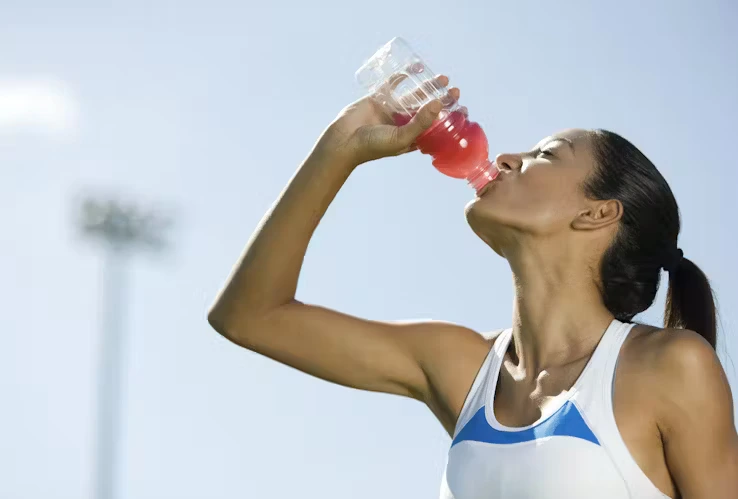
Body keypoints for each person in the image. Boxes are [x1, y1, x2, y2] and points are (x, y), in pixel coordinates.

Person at [207, 75, 738, 498]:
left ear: (598, 213)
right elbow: (250, 316)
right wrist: (343, 145)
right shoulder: (461, 366)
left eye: (545, 155)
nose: (507, 158)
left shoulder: (669, 366)